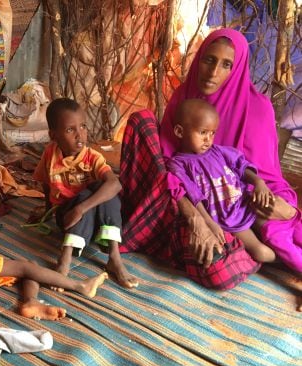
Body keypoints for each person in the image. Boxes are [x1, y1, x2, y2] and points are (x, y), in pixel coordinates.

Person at [120, 28, 301, 291]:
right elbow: (171, 169)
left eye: (226, 64)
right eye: (209, 59)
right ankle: (249, 254)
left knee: (279, 228)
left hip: (245, 201)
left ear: (236, 68)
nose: (214, 72)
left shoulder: (257, 108)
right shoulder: (183, 98)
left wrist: (272, 203)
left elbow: (266, 174)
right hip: (200, 201)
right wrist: (198, 218)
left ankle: (256, 250)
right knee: (214, 267)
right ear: (199, 59)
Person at [33, 98, 139, 289]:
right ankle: (65, 260)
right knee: (85, 194)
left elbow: (115, 185)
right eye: (70, 130)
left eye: (83, 126)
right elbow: (45, 183)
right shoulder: (50, 154)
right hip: (66, 218)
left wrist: (81, 209)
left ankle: (113, 257)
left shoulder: (92, 157)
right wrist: (46, 211)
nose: (79, 135)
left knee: (103, 188)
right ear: (53, 135)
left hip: (94, 221)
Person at [167, 99, 281, 264]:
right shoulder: (178, 164)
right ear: (179, 131)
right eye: (203, 132)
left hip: (247, 203)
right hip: (228, 219)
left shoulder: (218, 152)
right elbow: (194, 196)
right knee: (262, 252)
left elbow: (242, 167)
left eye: (212, 133)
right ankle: (280, 264)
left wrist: (259, 182)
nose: (208, 139)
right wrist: (209, 222)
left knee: (278, 234)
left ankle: (289, 257)